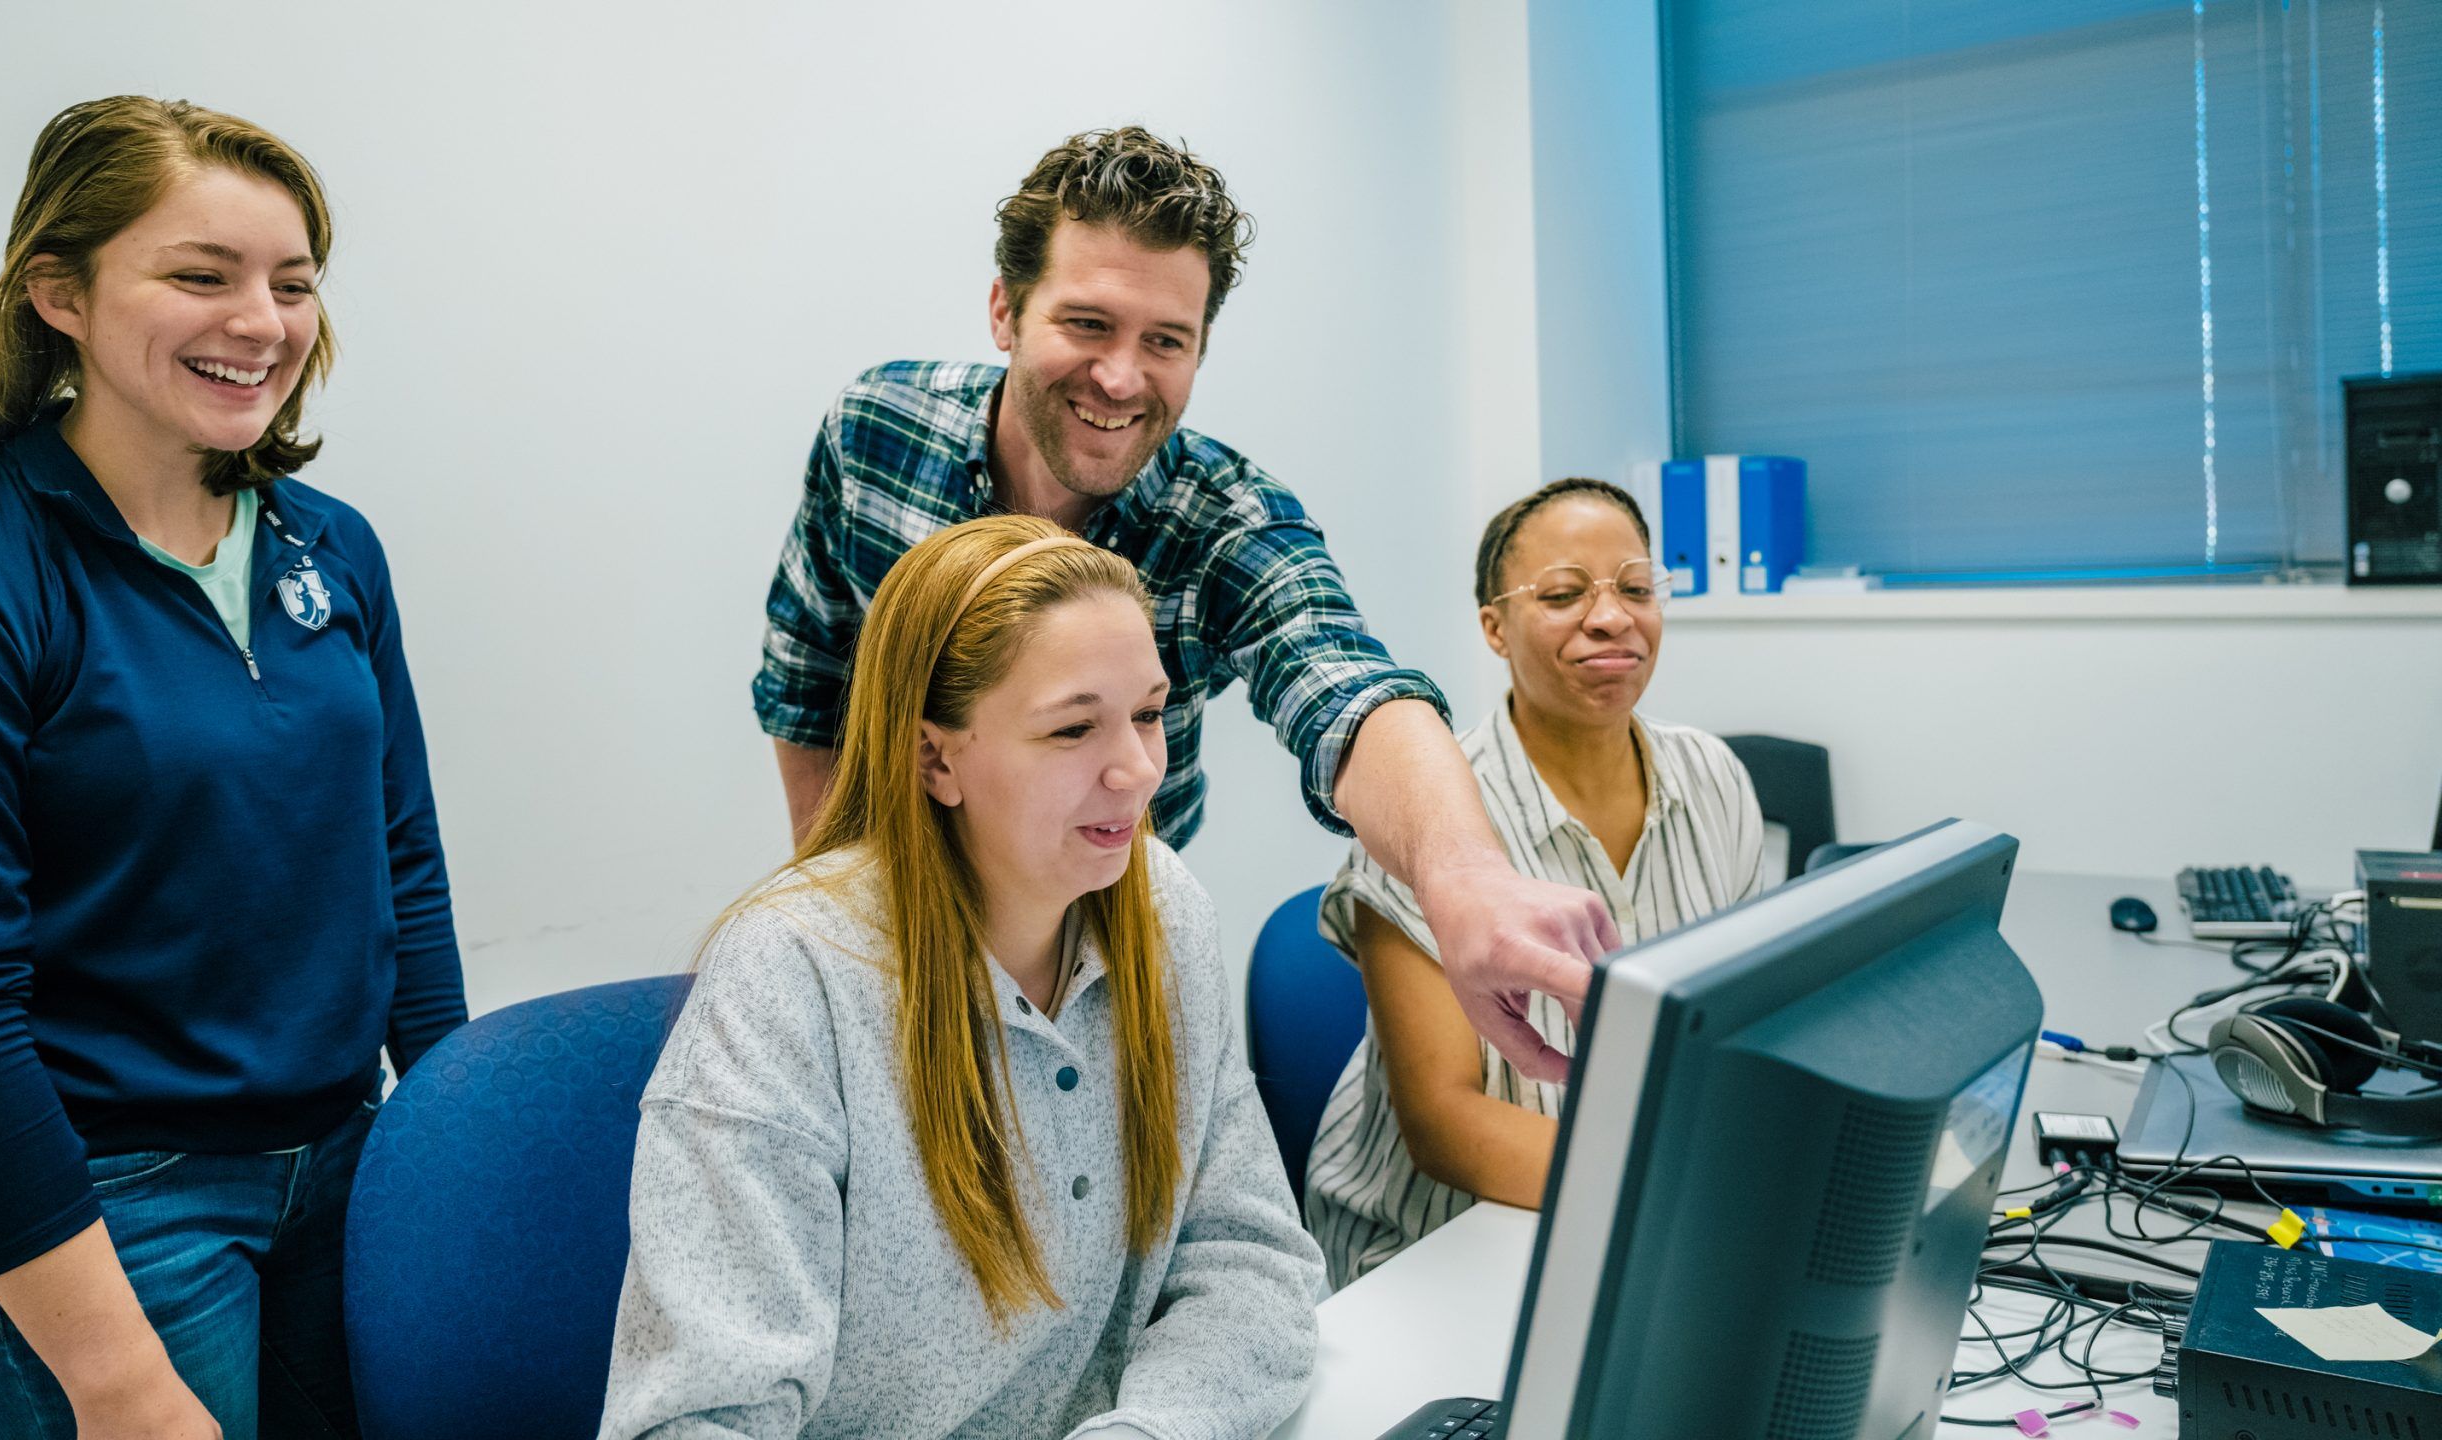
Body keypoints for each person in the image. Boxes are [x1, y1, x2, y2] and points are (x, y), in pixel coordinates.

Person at [756, 126, 1617, 1081]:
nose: (1122, 378)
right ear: (1005, 310)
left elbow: (1343, 684)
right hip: (890, 925)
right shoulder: (878, 434)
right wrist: (854, 913)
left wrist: (1465, 880)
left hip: (1097, 929)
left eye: (1165, 341)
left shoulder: (1223, 521)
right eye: (1087, 324)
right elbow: (808, 672)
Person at [0, 97, 466, 1438]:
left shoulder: (334, 549)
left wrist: (447, 1168)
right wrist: (117, 1380)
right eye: (200, 275)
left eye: (292, 282)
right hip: (112, 1213)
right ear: (59, 294)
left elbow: (405, 877)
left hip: (347, 1172)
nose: (260, 320)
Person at [604, 516, 1322, 1440]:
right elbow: (699, 1419)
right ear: (935, 758)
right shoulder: (791, 974)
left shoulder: (1160, 906)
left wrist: (1149, 1430)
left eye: (1148, 713)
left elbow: (1245, 1257)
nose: (1138, 769)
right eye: (1073, 728)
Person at [1303, 478, 1764, 1286]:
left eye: (1635, 587)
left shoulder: (1714, 776)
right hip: (1443, 1243)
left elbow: (1747, 1021)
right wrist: (1688, 1194)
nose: (1611, 616)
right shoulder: (1425, 821)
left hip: (1650, 1213)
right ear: (1495, 627)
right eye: (1561, 594)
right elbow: (1445, 1125)